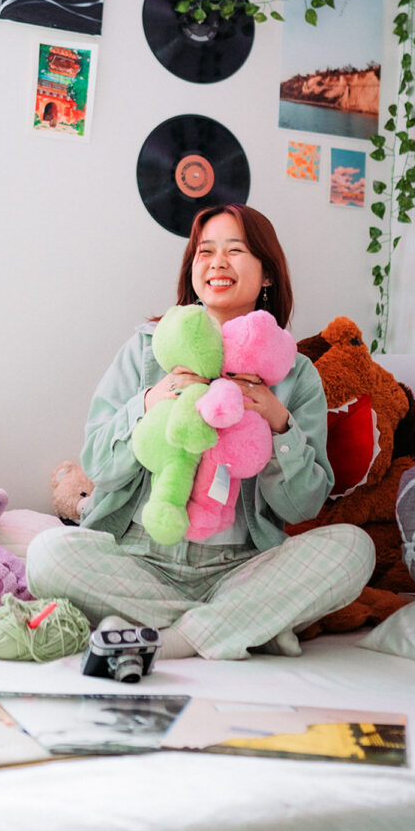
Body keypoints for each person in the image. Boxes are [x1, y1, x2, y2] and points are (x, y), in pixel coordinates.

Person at [26, 204, 375, 661]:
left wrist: (279, 424)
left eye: (235, 250)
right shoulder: (146, 350)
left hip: (243, 566)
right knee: (47, 554)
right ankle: (241, 623)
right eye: (204, 251)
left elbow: (304, 504)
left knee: (354, 549)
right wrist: (151, 400)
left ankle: (171, 635)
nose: (217, 262)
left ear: (267, 274)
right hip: (140, 558)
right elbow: (98, 464)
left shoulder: (294, 373)